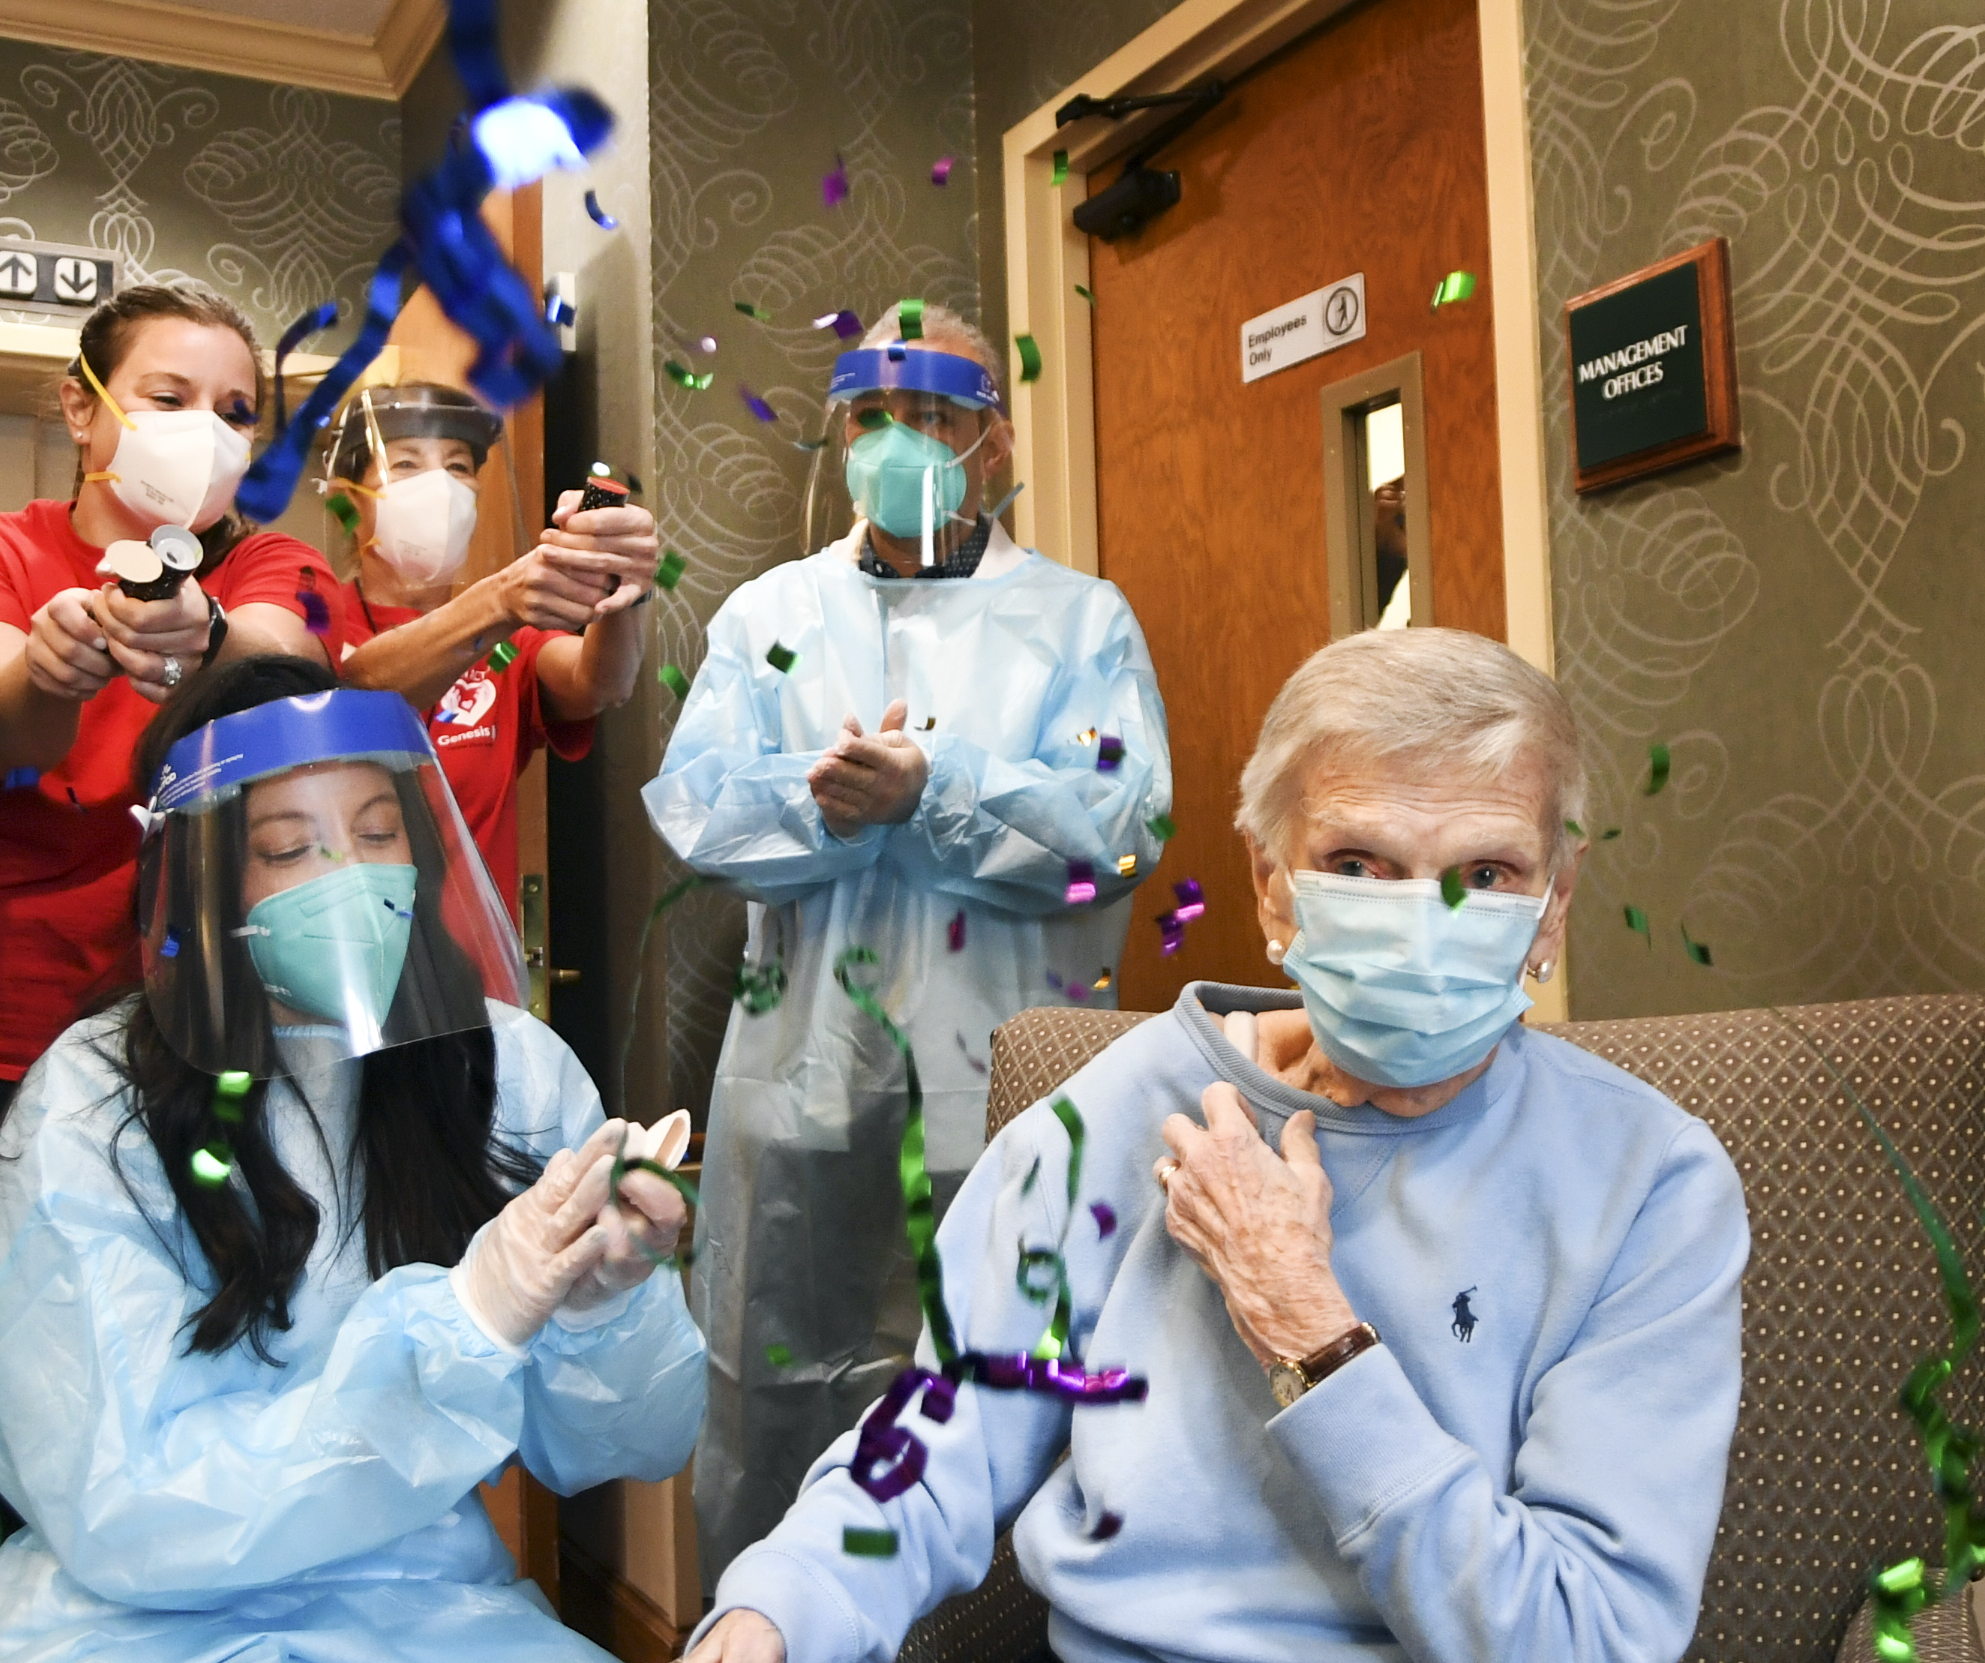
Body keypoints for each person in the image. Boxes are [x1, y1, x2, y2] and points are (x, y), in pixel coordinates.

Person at [690, 628, 1749, 1663]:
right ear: (1270, 881)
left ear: (1554, 906)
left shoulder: (1652, 1181)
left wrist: (1312, 1329)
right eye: (1358, 863)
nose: (1423, 920)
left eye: (1487, 870)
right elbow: (935, 1450)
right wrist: (778, 1609)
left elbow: (1587, 1634)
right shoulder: (1107, 1116)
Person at [0, 655, 705, 1663]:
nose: (351, 880)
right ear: (203, 879)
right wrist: (458, 1326)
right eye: (289, 848)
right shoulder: (93, 1103)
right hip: (131, 1617)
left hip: (422, 1598)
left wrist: (606, 1303)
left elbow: (631, 1444)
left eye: (377, 834)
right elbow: (122, 1505)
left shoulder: (505, 1073)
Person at [643, 301, 1172, 1583]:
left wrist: (939, 783)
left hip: (1010, 1076)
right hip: (801, 1083)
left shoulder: (1079, 622)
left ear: (991, 442)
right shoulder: (773, 613)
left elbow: (1120, 824)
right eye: (872, 418)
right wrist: (824, 807)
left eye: (931, 415)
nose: (899, 443)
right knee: (781, 1390)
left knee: (1001, 1385)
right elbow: (696, 807)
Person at [0, 283, 338, 1663]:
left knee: (172, 1408)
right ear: (82, 404)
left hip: (192, 1057)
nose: (206, 430)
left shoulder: (266, 564)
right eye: (169, 396)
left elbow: (286, 657)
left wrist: (200, 641)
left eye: (236, 410)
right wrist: (63, 654)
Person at [324, 381, 659, 911]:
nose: (439, 487)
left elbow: (602, 684)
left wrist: (624, 579)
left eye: (458, 467)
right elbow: (361, 686)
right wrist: (501, 600)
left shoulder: (509, 642)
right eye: (407, 464)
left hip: (478, 983)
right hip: (348, 967)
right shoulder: (313, 625)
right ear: (349, 500)